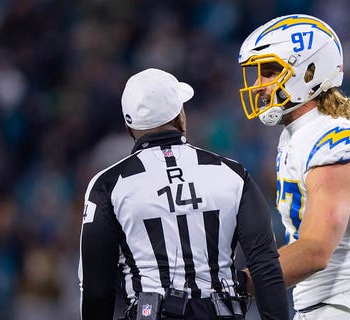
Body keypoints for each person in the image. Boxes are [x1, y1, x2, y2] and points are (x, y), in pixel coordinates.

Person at [78, 68, 289, 320]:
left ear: (128, 127)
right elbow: (265, 266)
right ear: (180, 116)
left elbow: (96, 290)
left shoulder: (108, 185)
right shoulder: (232, 173)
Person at [237, 14, 350, 319]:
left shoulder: (334, 140)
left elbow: (315, 250)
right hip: (325, 305)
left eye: (270, 72)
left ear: (310, 71)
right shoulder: (299, 135)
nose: (259, 86)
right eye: (256, 75)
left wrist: (235, 285)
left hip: (348, 305)